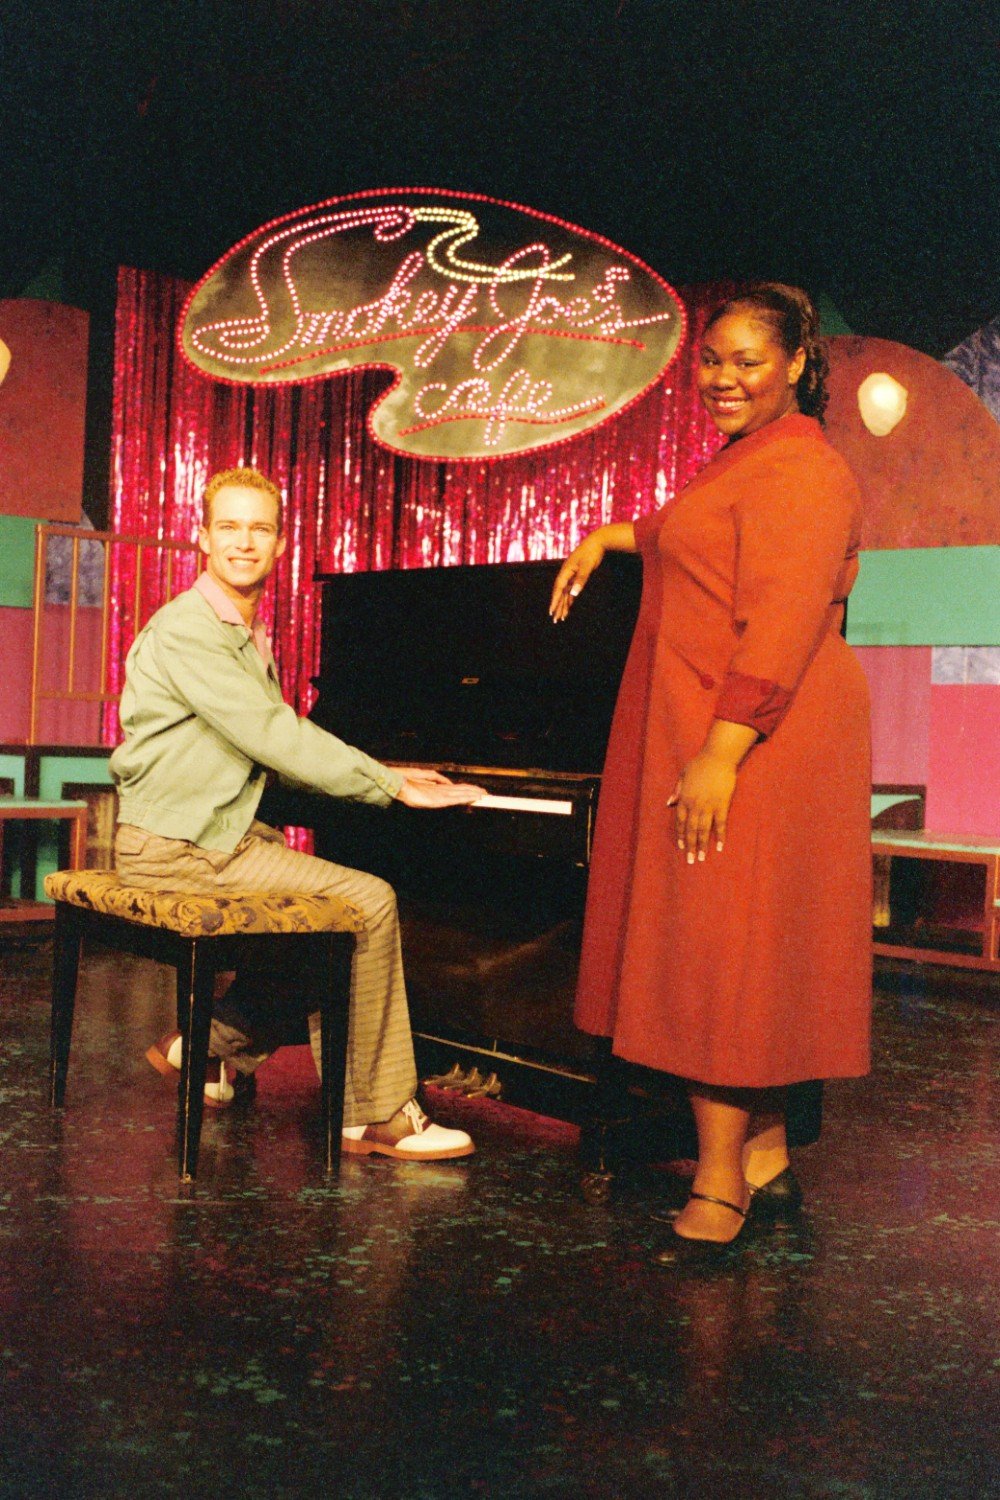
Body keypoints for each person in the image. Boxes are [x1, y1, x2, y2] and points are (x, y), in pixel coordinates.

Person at [549, 284, 871, 1259]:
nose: (723, 378)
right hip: (721, 725)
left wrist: (723, 752)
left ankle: (720, 1181)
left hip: (758, 738)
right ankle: (766, 1163)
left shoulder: (805, 470)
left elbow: (778, 620)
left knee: (721, 955)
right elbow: (691, 537)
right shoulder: (747, 461)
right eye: (712, 360)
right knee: (741, 952)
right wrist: (611, 537)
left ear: (797, 364)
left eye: (747, 361)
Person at [110, 465, 485, 1161]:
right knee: (367, 902)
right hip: (178, 848)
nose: (244, 542)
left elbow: (270, 750)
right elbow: (275, 736)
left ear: (281, 544)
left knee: (317, 927)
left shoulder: (241, 631)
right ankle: (374, 1115)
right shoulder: (191, 628)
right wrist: (387, 786)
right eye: (229, 527)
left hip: (212, 839)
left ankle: (209, 1046)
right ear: (202, 538)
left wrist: (385, 772)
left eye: (260, 529)